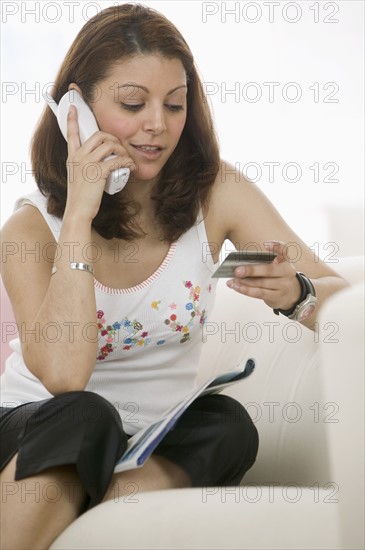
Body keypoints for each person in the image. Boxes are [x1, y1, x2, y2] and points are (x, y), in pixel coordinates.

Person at [0, 3, 349, 549]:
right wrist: (78, 215)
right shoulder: (28, 229)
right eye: (133, 104)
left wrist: (298, 295)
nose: (158, 125)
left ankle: (89, 506)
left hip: (148, 443)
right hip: (39, 427)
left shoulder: (217, 193)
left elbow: (341, 299)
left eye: (175, 104)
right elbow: (64, 378)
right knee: (87, 414)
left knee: (229, 423)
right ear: (77, 107)